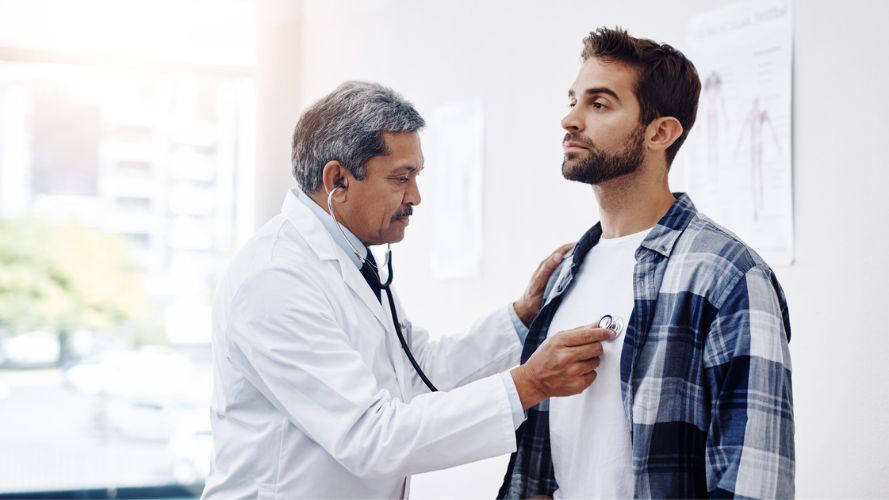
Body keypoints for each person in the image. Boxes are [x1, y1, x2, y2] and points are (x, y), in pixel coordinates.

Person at [202, 81, 613, 499]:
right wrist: (528, 384)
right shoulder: (275, 278)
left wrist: (521, 318)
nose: (415, 196)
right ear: (337, 180)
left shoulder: (353, 262)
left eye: (416, 176)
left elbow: (420, 373)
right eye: (401, 178)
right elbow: (370, 436)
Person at [498, 27, 794, 499]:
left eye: (599, 104)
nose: (569, 120)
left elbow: (755, 480)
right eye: (573, 100)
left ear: (660, 132)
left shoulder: (727, 274)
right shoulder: (562, 276)